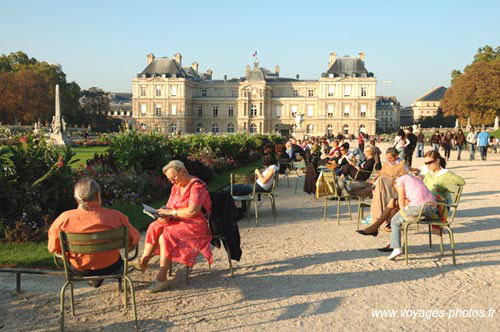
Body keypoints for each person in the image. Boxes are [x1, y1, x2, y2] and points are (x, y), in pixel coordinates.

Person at [131, 160, 213, 293]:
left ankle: (161, 278)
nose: (172, 181)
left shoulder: (196, 187)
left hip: (196, 224)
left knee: (166, 235)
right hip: (179, 220)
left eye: (174, 177)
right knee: (154, 226)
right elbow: (169, 207)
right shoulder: (176, 186)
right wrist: (162, 215)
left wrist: (172, 213)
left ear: (183, 172)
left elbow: (193, 211)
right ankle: (143, 262)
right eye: (170, 179)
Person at [48, 178, 140, 288]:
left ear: (76, 197)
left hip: (80, 268)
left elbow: (53, 248)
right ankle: (99, 276)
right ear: (99, 195)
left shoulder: (64, 219)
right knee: (113, 259)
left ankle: (94, 277)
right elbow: (134, 238)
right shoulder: (117, 216)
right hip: (111, 266)